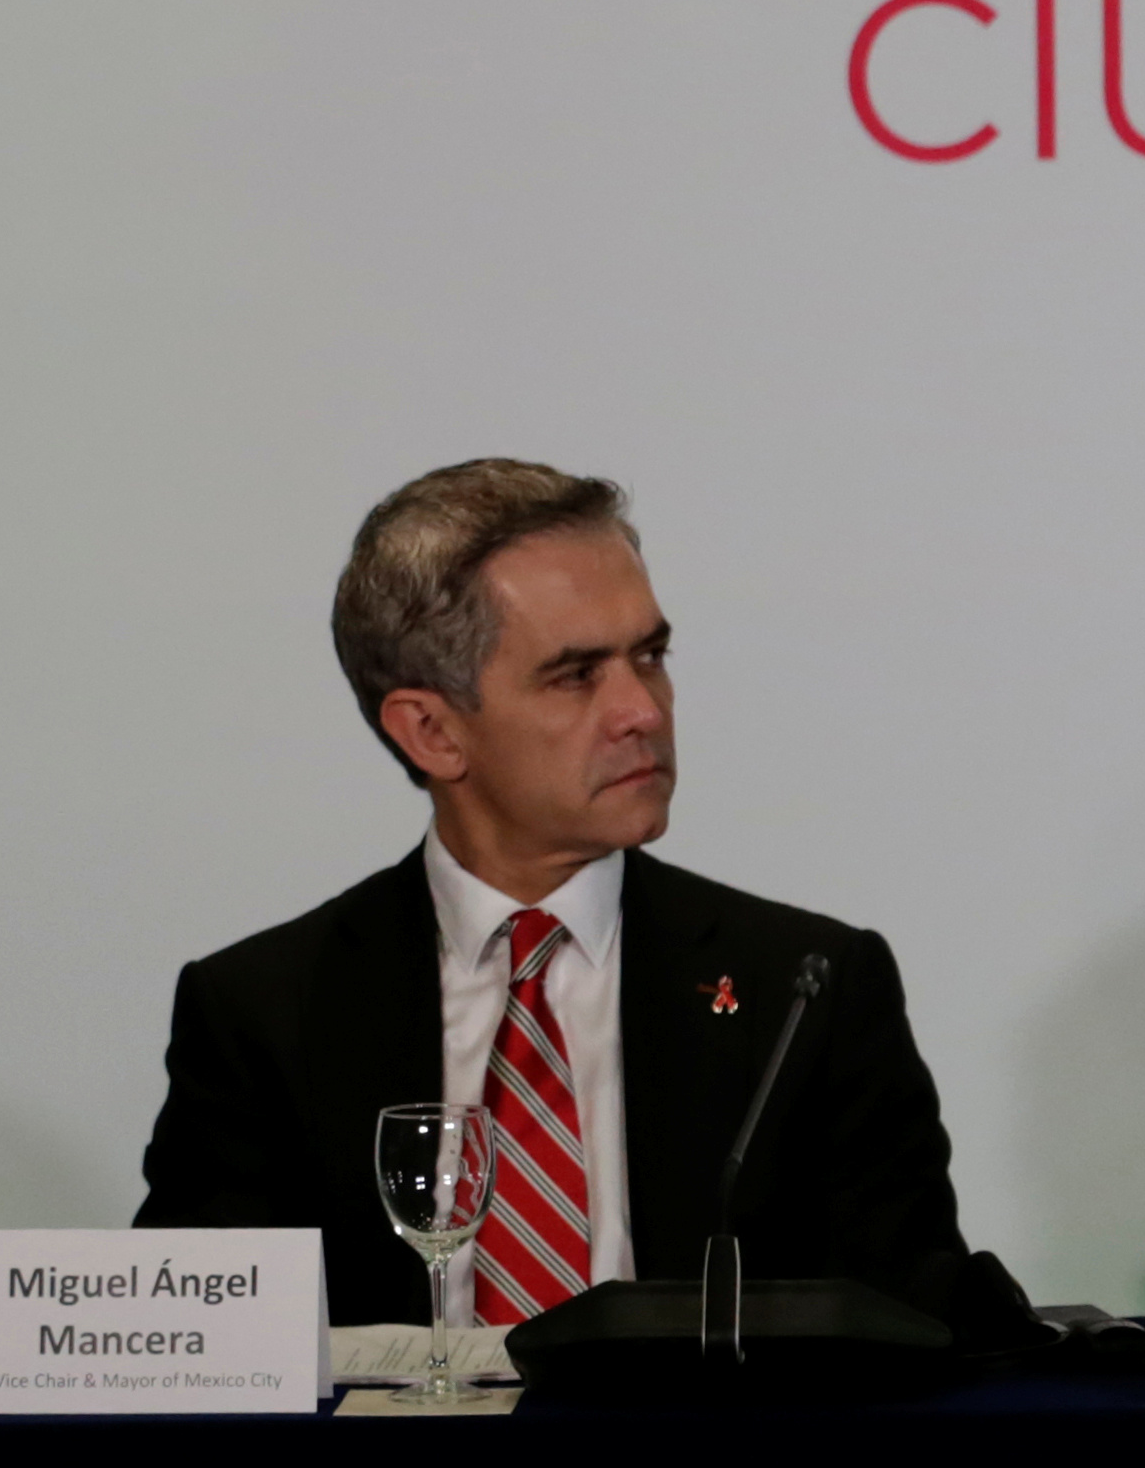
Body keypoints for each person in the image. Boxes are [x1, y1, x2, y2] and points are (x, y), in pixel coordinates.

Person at [135, 459, 969, 1325]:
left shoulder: (806, 988)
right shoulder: (264, 1014)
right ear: (432, 731)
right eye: (576, 675)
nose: (643, 711)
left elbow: (917, 1324)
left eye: (650, 656)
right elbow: (190, 1344)